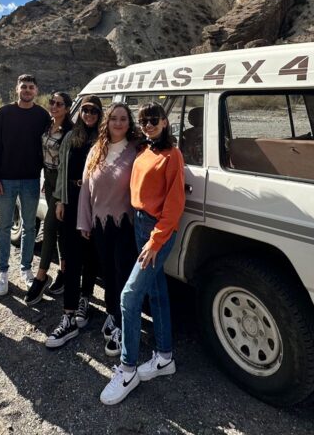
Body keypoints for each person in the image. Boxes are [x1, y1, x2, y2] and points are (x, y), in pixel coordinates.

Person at [100, 102, 186, 405]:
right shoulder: (145, 150)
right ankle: (164, 357)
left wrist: (155, 241)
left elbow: (174, 206)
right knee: (157, 290)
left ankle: (128, 368)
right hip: (138, 223)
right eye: (144, 120)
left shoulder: (172, 156)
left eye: (154, 119)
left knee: (130, 296)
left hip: (157, 230)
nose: (149, 124)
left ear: (165, 122)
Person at [78, 102, 139, 358]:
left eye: (123, 119)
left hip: (125, 224)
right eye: (113, 118)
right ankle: (112, 314)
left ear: (129, 122)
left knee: (123, 272)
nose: (118, 123)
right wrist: (84, 221)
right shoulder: (97, 149)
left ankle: (123, 324)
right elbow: (85, 188)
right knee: (108, 273)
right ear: (107, 121)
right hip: (100, 224)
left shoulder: (136, 150)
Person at [45, 95, 103, 348]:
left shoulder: (103, 139)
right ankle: (68, 313)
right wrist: (59, 200)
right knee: (71, 253)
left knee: (90, 253)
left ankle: (85, 299)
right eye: (86, 110)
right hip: (71, 197)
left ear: (101, 114)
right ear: (80, 112)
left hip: (94, 201)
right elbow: (61, 171)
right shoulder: (71, 137)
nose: (89, 114)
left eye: (94, 111)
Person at [0, 74, 52, 296]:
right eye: (23, 86)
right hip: (5, 179)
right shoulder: (4, 113)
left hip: (31, 179)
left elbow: (48, 148)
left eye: (31, 87)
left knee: (30, 227)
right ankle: (3, 272)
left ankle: (26, 270)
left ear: (36, 90)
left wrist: (46, 177)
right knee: (4, 226)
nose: (27, 90)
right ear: (17, 89)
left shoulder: (42, 115)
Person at [25, 90, 73, 305]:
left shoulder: (70, 131)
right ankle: (64, 272)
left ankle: (41, 276)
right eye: (52, 102)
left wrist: (61, 192)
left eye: (59, 104)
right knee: (60, 230)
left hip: (62, 184)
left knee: (50, 228)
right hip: (50, 178)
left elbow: (67, 164)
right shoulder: (48, 125)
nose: (54, 106)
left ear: (67, 108)